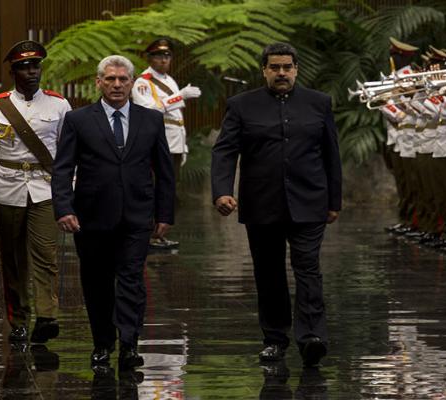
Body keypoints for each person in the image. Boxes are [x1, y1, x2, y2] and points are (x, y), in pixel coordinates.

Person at [211, 42, 342, 367]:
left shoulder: (319, 103)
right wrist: (221, 191)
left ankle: (312, 336)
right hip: (262, 203)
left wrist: (334, 200)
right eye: (275, 67)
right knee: (268, 273)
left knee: (308, 267)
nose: (281, 73)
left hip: (309, 200)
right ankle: (275, 339)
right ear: (264, 70)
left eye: (287, 67)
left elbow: (331, 155)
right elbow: (225, 150)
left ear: (296, 69)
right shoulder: (242, 105)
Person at [51, 55, 175, 369]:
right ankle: (102, 344)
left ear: (132, 82)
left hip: (136, 215)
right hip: (91, 217)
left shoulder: (151, 120)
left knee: (132, 280)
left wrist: (165, 214)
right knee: (97, 283)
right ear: (98, 82)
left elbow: (164, 171)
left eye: (122, 79)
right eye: (110, 79)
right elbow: (63, 168)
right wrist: (63, 208)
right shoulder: (79, 120)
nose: (117, 85)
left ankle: (130, 345)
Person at [0, 40, 71, 344]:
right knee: (12, 258)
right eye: (24, 67)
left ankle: (47, 316)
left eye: (35, 66)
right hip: (8, 188)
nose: (31, 72)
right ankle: (19, 320)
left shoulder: (59, 104)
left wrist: (71, 189)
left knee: (46, 254)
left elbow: (69, 152)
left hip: (46, 189)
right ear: (14, 72)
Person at [132, 38, 201, 250]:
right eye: (159, 56)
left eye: (167, 56)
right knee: (155, 188)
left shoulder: (169, 80)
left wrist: (184, 146)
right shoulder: (143, 82)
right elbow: (150, 110)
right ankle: (149, 234)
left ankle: (159, 233)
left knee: (168, 190)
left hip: (175, 142)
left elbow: (177, 117)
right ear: (149, 58)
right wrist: (180, 96)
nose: (164, 59)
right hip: (157, 142)